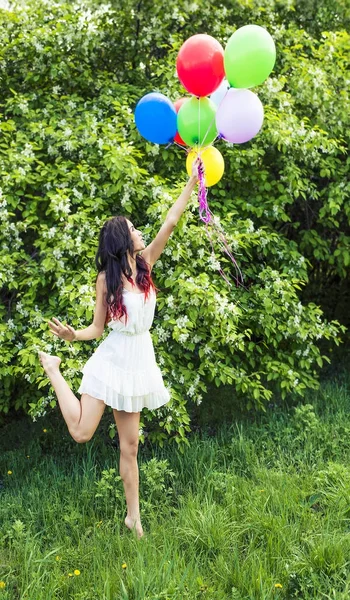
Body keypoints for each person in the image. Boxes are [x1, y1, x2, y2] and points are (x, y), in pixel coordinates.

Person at [38, 160, 199, 540]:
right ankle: (54, 370)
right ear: (121, 240)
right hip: (112, 360)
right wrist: (72, 336)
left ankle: (134, 519)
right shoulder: (104, 279)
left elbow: (171, 222)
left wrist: (192, 181)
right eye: (132, 229)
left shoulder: (145, 265)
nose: (140, 231)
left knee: (130, 447)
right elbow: (97, 327)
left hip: (139, 360)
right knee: (81, 432)